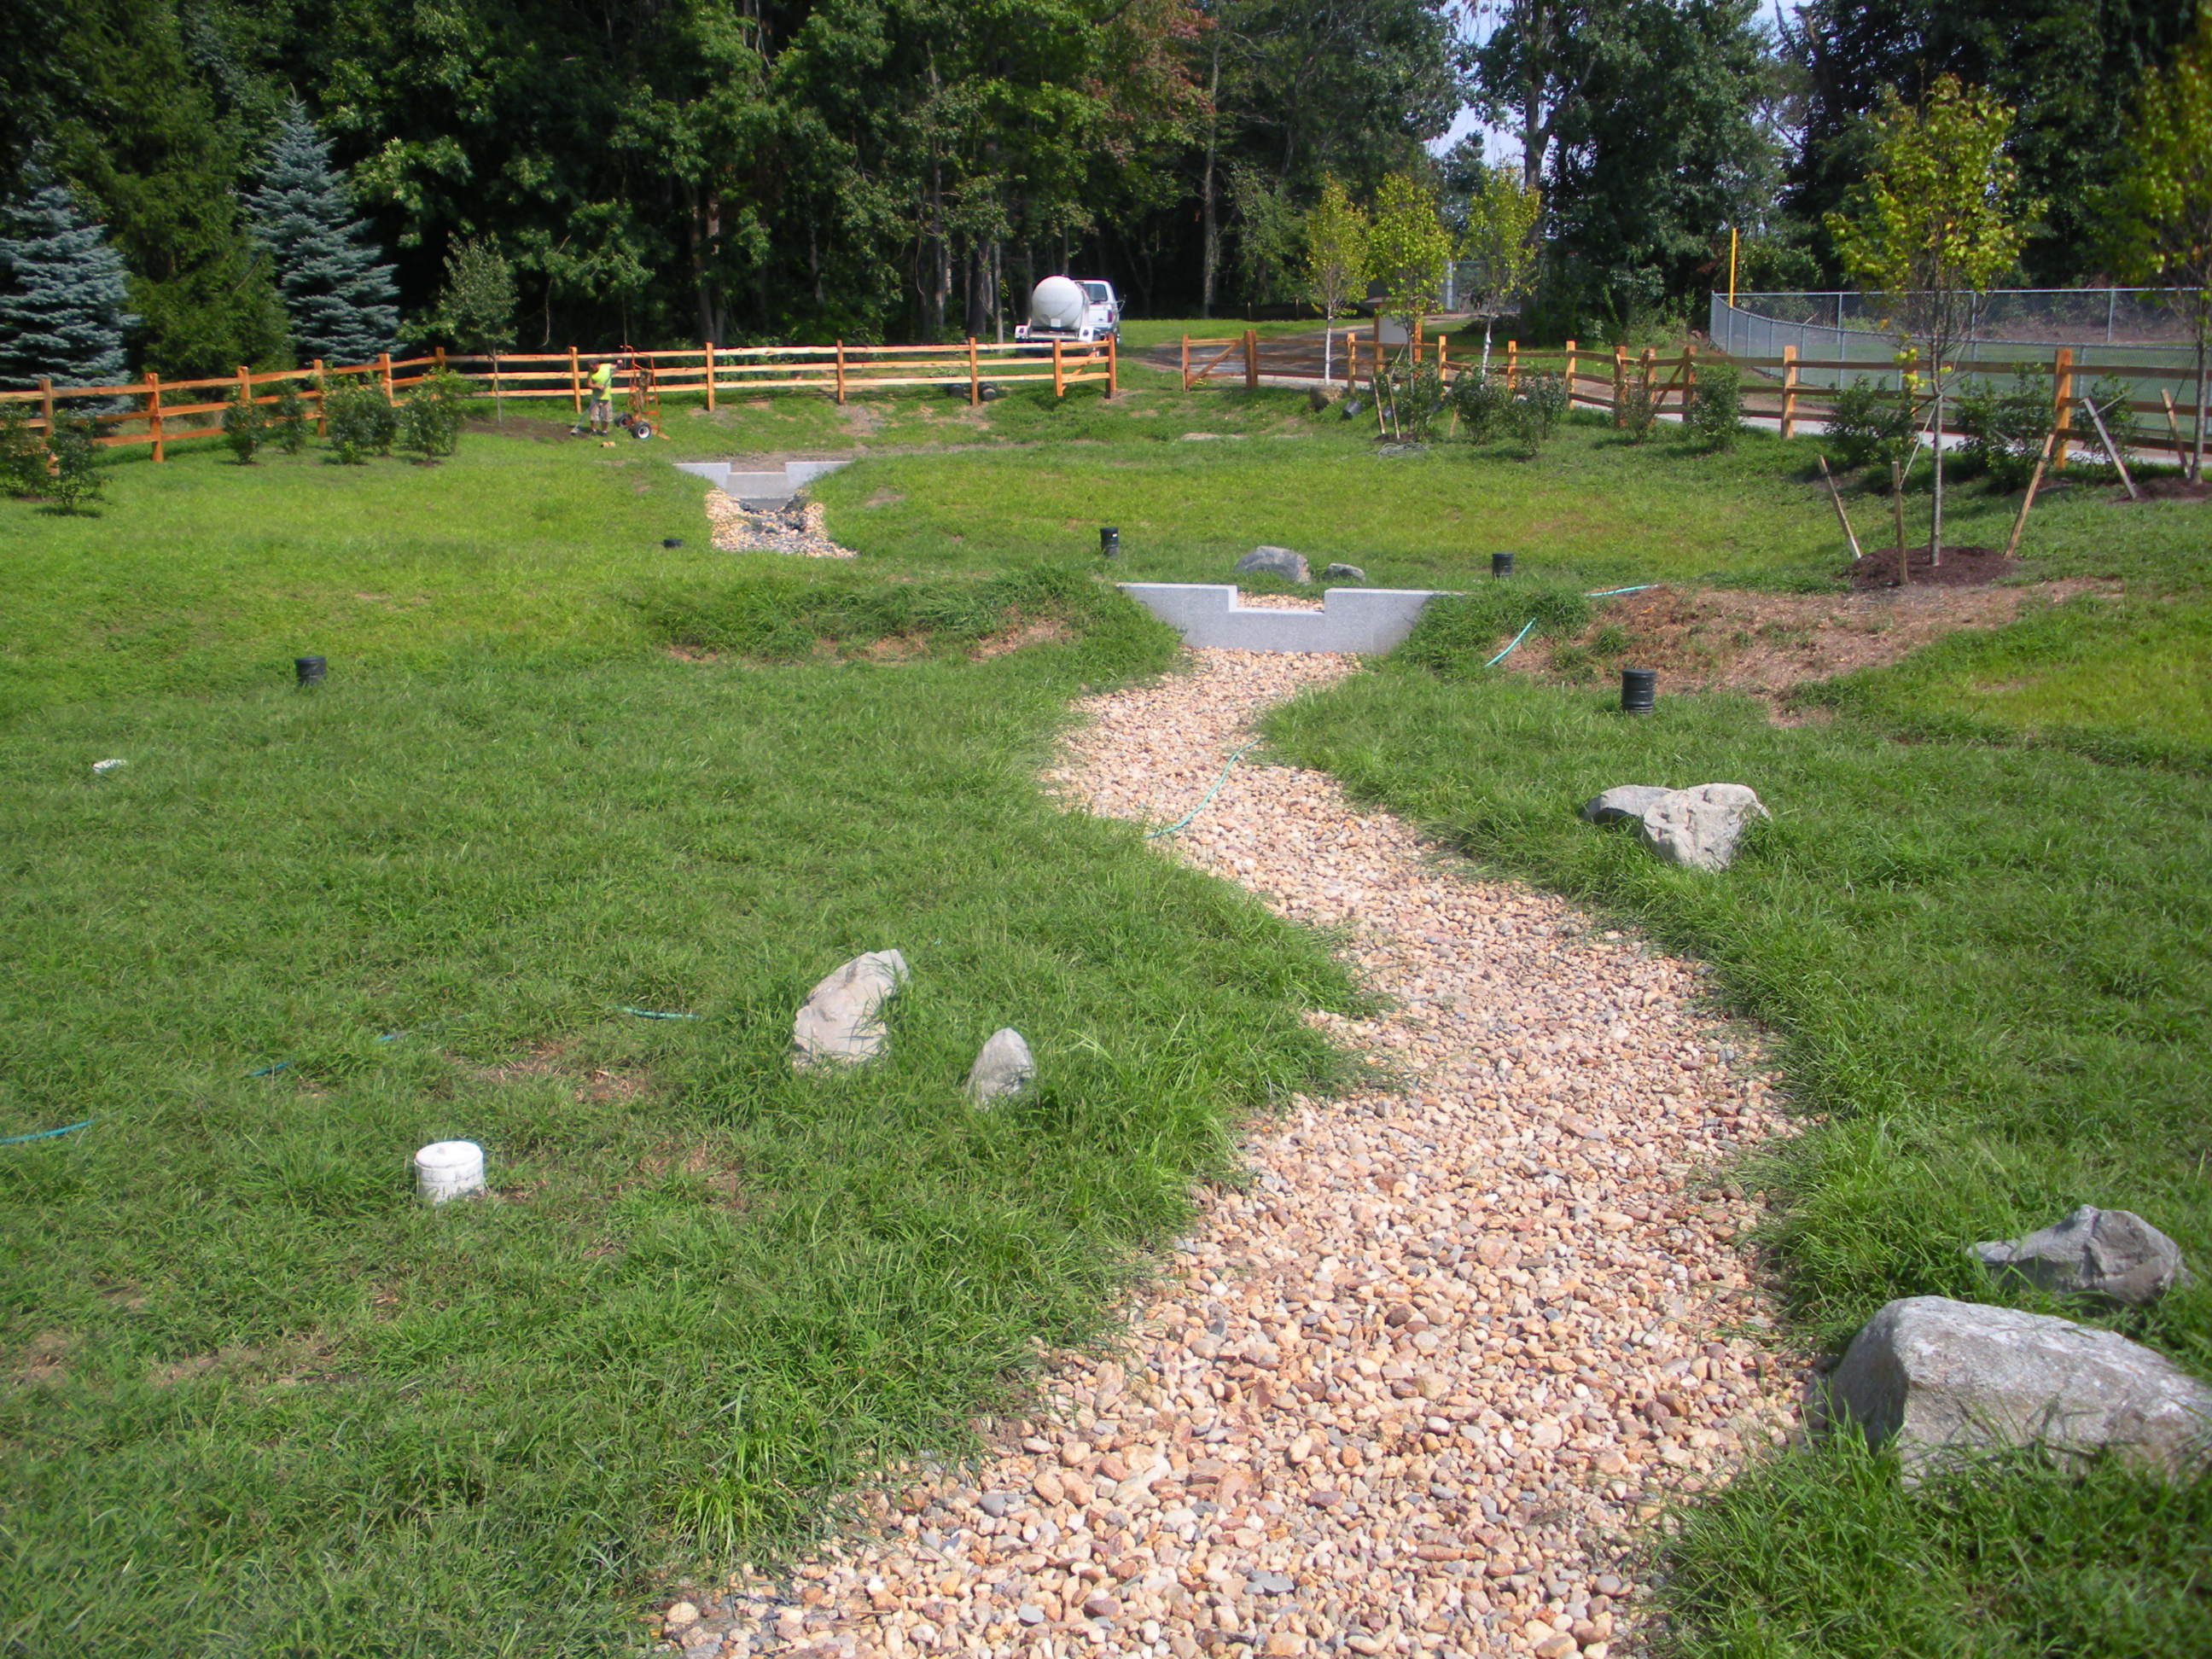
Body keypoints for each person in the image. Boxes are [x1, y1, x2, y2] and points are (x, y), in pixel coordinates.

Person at [580, 358, 615, 435]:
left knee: (606, 415)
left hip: (606, 397)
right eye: (590, 367)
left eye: (592, 367)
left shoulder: (606, 367)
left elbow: (617, 367)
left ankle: (604, 431)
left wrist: (620, 364)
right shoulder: (591, 372)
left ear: (596, 365)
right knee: (593, 415)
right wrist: (596, 386)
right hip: (595, 397)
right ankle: (593, 430)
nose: (591, 369)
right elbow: (589, 384)